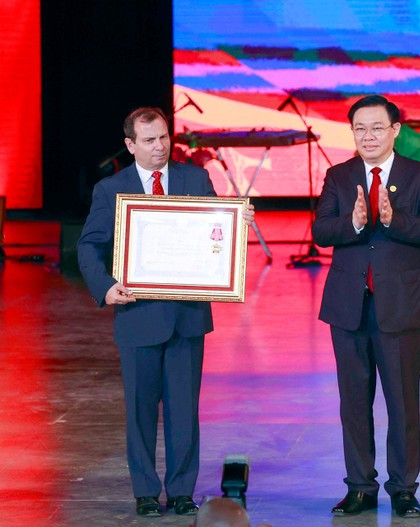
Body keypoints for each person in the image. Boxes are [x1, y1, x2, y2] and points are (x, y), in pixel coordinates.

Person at [77, 107, 254, 517]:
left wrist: (235, 224)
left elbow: (216, 237)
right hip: (137, 316)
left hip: (187, 316)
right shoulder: (111, 189)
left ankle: (180, 491)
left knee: (183, 411)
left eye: (163, 138)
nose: (160, 147)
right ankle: (144, 491)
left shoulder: (195, 178)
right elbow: (89, 246)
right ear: (130, 145)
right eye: (150, 140)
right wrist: (105, 287)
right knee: (140, 412)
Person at [312, 95, 420, 518]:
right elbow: (320, 230)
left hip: (401, 307)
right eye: (359, 129)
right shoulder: (339, 175)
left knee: (403, 402)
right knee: (353, 402)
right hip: (349, 307)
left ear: (395, 131)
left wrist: (393, 221)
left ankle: (403, 488)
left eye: (376, 128)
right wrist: (352, 223)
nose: (367, 136)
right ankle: (360, 488)